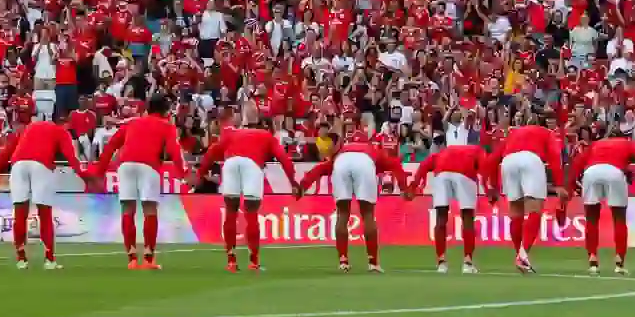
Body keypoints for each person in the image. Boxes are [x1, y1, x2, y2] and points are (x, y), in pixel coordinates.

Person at [88, 94, 186, 270]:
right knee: (149, 210)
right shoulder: (167, 126)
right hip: (148, 165)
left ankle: (132, 258)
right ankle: (148, 258)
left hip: (125, 165)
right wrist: (182, 172)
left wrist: (100, 171)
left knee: (127, 209)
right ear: (165, 110)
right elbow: (174, 150)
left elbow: (111, 146)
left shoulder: (132, 123)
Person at [194, 119, 301, 272]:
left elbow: (212, 152)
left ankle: (231, 261)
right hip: (252, 164)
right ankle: (253, 262)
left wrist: (200, 174)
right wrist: (293, 183)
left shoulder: (233, 133)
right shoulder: (267, 136)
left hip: (230, 163)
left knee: (231, 212)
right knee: (251, 214)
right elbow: (284, 158)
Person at [0, 116, 87, 270]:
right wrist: (83, 175)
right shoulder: (60, 131)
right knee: (44, 213)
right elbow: (70, 156)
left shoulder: (26, 130)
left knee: (20, 213)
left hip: (18, 165)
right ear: (63, 123)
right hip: (41, 164)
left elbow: (5, 153)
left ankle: (21, 259)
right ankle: (49, 260)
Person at [298, 131, 408, 273]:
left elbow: (320, 168)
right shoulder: (373, 149)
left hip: (341, 163)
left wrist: (303, 186)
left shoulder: (342, 152)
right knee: (368, 214)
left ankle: (343, 260)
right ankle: (373, 262)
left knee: (342, 214)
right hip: (364, 163)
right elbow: (394, 164)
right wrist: (404, 187)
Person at [566, 121, 635, 276]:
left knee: (591, 218)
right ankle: (619, 261)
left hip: (591, 172)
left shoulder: (596, 144)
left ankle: (593, 259)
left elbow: (577, 163)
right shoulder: (628, 144)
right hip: (615, 172)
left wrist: (569, 186)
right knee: (619, 219)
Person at [485, 118, 566, 274]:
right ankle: (522, 256)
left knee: (516, 212)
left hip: (508, 162)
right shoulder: (547, 133)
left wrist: (493, 187)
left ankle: (520, 255)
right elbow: (555, 157)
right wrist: (559, 183)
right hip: (531, 159)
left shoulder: (513, 133)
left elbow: (493, 158)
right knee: (534, 208)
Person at [406, 143, 488, 274]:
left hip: (441, 173)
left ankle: (441, 263)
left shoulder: (444, 151)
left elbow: (424, 165)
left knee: (441, 217)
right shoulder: (478, 150)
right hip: (465, 173)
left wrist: (414, 186)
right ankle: (467, 262)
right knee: (467, 217)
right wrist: (489, 189)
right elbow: (485, 169)